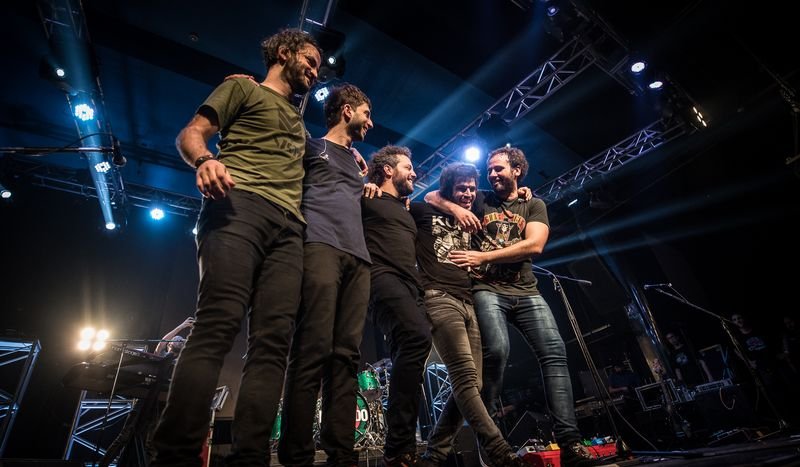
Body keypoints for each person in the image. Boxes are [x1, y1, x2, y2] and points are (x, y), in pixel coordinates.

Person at [150, 28, 321, 467]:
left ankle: (251, 457)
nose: (315, 72)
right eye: (310, 61)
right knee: (217, 324)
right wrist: (205, 160)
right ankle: (175, 455)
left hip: (290, 229)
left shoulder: (300, 123)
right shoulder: (242, 88)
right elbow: (191, 133)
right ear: (283, 53)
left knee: (273, 343)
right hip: (238, 205)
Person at [427, 147, 600, 467]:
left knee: (555, 354)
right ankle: (491, 438)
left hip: (526, 291)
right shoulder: (481, 198)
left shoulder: (533, 204)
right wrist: (457, 210)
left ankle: (570, 443)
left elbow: (535, 245)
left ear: (517, 170)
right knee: (496, 352)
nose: (492, 174)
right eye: (490, 170)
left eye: (498, 169)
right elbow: (431, 196)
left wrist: (483, 256)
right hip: (486, 289)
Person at [277, 83, 375, 467]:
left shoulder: (359, 164)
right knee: (312, 348)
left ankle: (342, 453)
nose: (370, 122)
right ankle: (296, 454)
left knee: (347, 356)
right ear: (347, 111)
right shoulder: (312, 147)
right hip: (319, 245)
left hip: (359, 259)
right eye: (366, 113)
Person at [410, 163, 525, 467]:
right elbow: (427, 197)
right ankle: (500, 452)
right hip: (438, 297)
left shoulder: (476, 213)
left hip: (469, 301)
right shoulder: (422, 211)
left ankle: (433, 457)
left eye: (472, 188)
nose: (468, 193)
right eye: (461, 188)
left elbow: (507, 198)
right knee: (464, 379)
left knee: (473, 386)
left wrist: (522, 191)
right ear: (448, 189)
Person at [362, 146, 432, 467]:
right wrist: (362, 183)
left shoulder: (407, 208)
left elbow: (440, 199)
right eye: (408, 167)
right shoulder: (367, 197)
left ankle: (401, 450)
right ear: (388, 170)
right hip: (380, 279)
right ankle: (398, 444)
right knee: (417, 337)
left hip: (411, 285)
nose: (414, 173)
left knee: (413, 357)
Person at [100, 317, 195, 467]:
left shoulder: (181, 362)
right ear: (170, 344)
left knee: (151, 443)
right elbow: (162, 342)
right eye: (177, 340)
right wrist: (182, 326)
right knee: (124, 436)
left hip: (161, 405)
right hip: (145, 400)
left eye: (182, 341)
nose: (180, 341)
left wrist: (194, 333)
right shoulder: (161, 356)